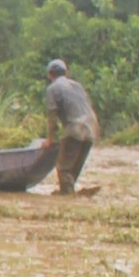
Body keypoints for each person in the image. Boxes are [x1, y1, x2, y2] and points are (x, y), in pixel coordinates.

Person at [44, 58, 99, 195]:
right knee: (74, 166)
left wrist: (50, 139)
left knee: (63, 168)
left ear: (49, 75)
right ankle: (70, 192)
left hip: (75, 128)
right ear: (66, 73)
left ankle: (67, 195)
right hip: (92, 128)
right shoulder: (77, 85)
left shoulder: (52, 88)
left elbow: (52, 117)